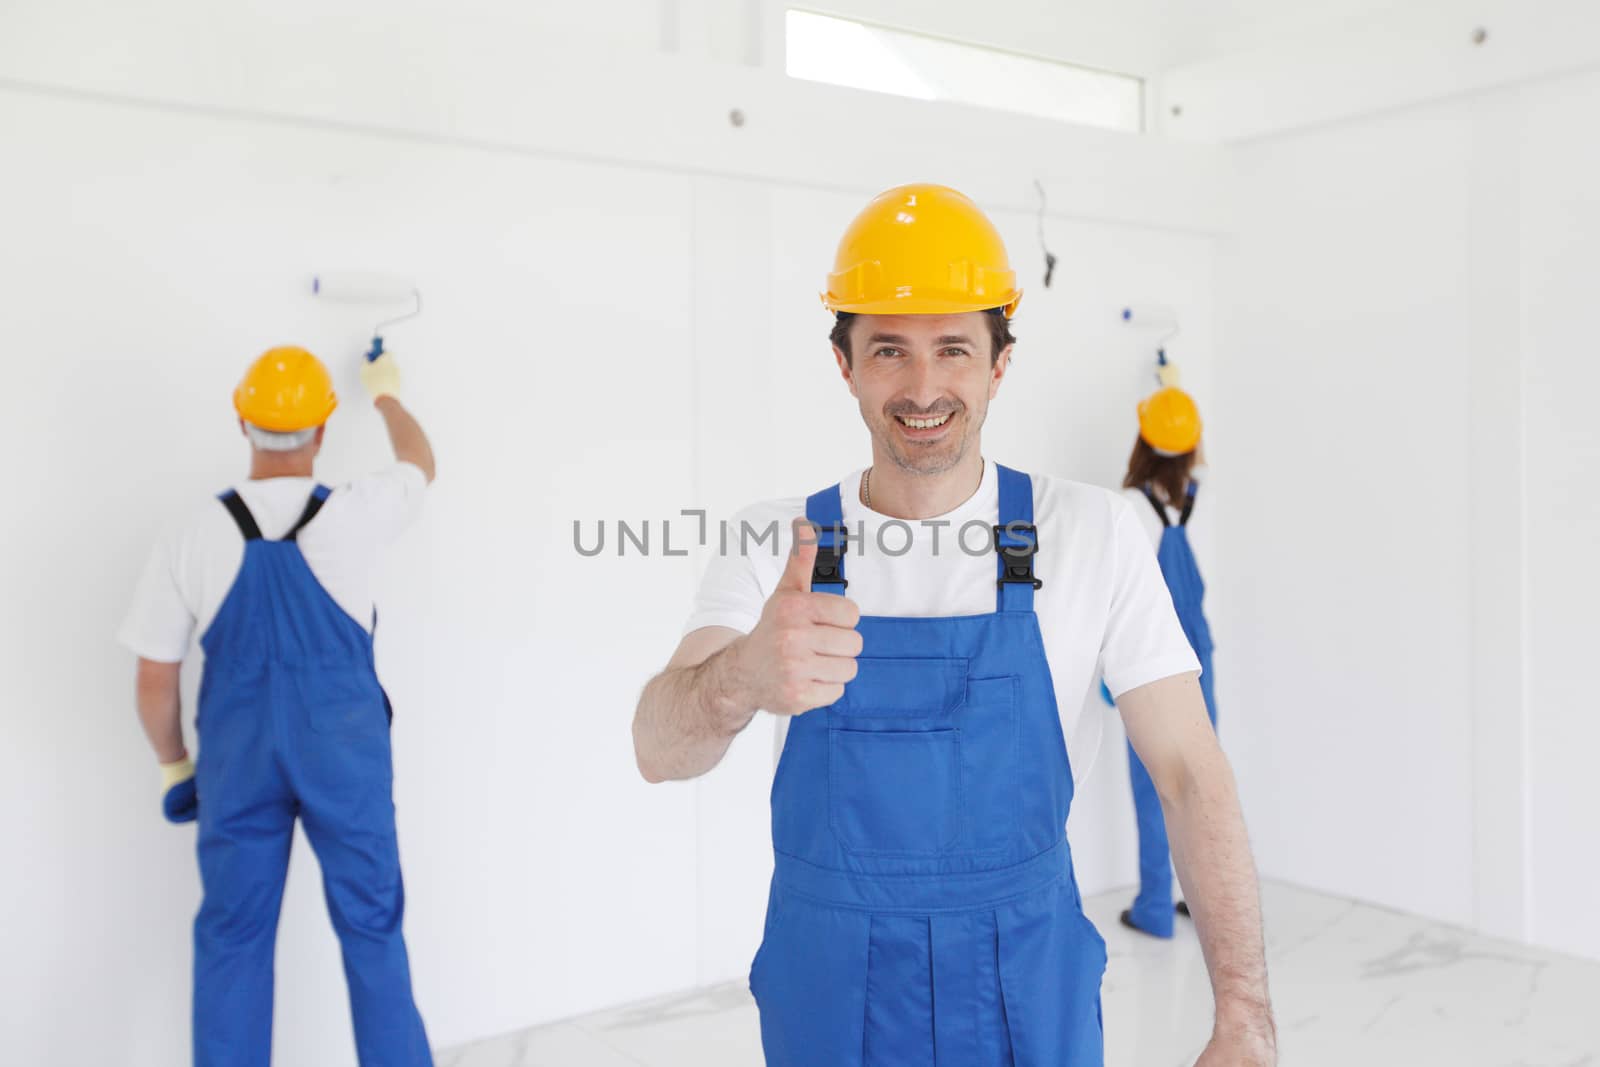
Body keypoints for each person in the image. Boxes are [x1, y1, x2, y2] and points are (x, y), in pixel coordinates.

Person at [632, 184, 1275, 1065]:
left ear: (999, 363)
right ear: (845, 363)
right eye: (889, 349)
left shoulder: (1092, 534)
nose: (924, 386)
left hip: (1025, 991)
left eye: (954, 349)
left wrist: (1244, 1011)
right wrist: (743, 675)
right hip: (828, 1000)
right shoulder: (773, 542)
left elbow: (1192, 773)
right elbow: (658, 750)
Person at [119, 345, 436, 1067]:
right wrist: (385, 395)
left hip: (238, 759)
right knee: (372, 931)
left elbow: (154, 680)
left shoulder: (191, 535)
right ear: (323, 430)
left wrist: (174, 765)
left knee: (233, 939)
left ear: (243, 421)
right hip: (345, 755)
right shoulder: (359, 511)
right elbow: (421, 462)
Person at [1111, 384, 1218, 940]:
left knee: (1155, 782)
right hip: (1200, 654)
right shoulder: (1196, 497)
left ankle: (1155, 904)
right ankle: (1197, 900)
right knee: (1198, 781)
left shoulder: (1130, 508)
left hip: (1149, 659)